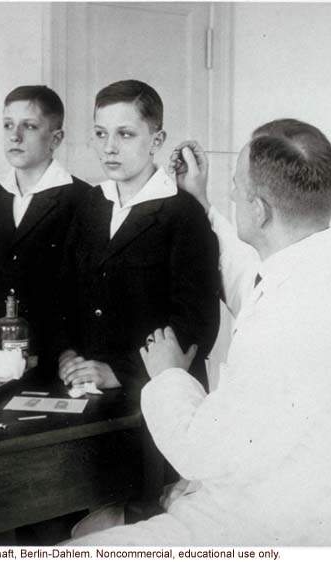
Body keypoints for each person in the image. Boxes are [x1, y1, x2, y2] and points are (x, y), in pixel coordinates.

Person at [69, 119, 331, 545]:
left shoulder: (285, 316)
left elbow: (202, 454)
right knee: (97, 526)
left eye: (237, 188)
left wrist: (168, 375)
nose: (234, 195)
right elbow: (250, 281)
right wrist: (202, 204)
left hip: (261, 531)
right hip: (323, 508)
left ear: (259, 210)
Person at [57, 80, 220, 397]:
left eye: (125, 134)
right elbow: (64, 294)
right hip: (88, 386)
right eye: (101, 133)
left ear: (157, 140)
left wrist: (117, 371)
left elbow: (196, 324)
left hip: (155, 396)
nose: (109, 147)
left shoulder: (183, 212)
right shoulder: (91, 203)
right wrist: (66, 352)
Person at [0, 85, 90, 372]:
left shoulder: (81, 199)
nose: (15, 136)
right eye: (8, 125)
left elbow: (87, 292)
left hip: (59, 358)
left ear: (56, 138)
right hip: (0, 357)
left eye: (29, 126)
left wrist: (63, 352)